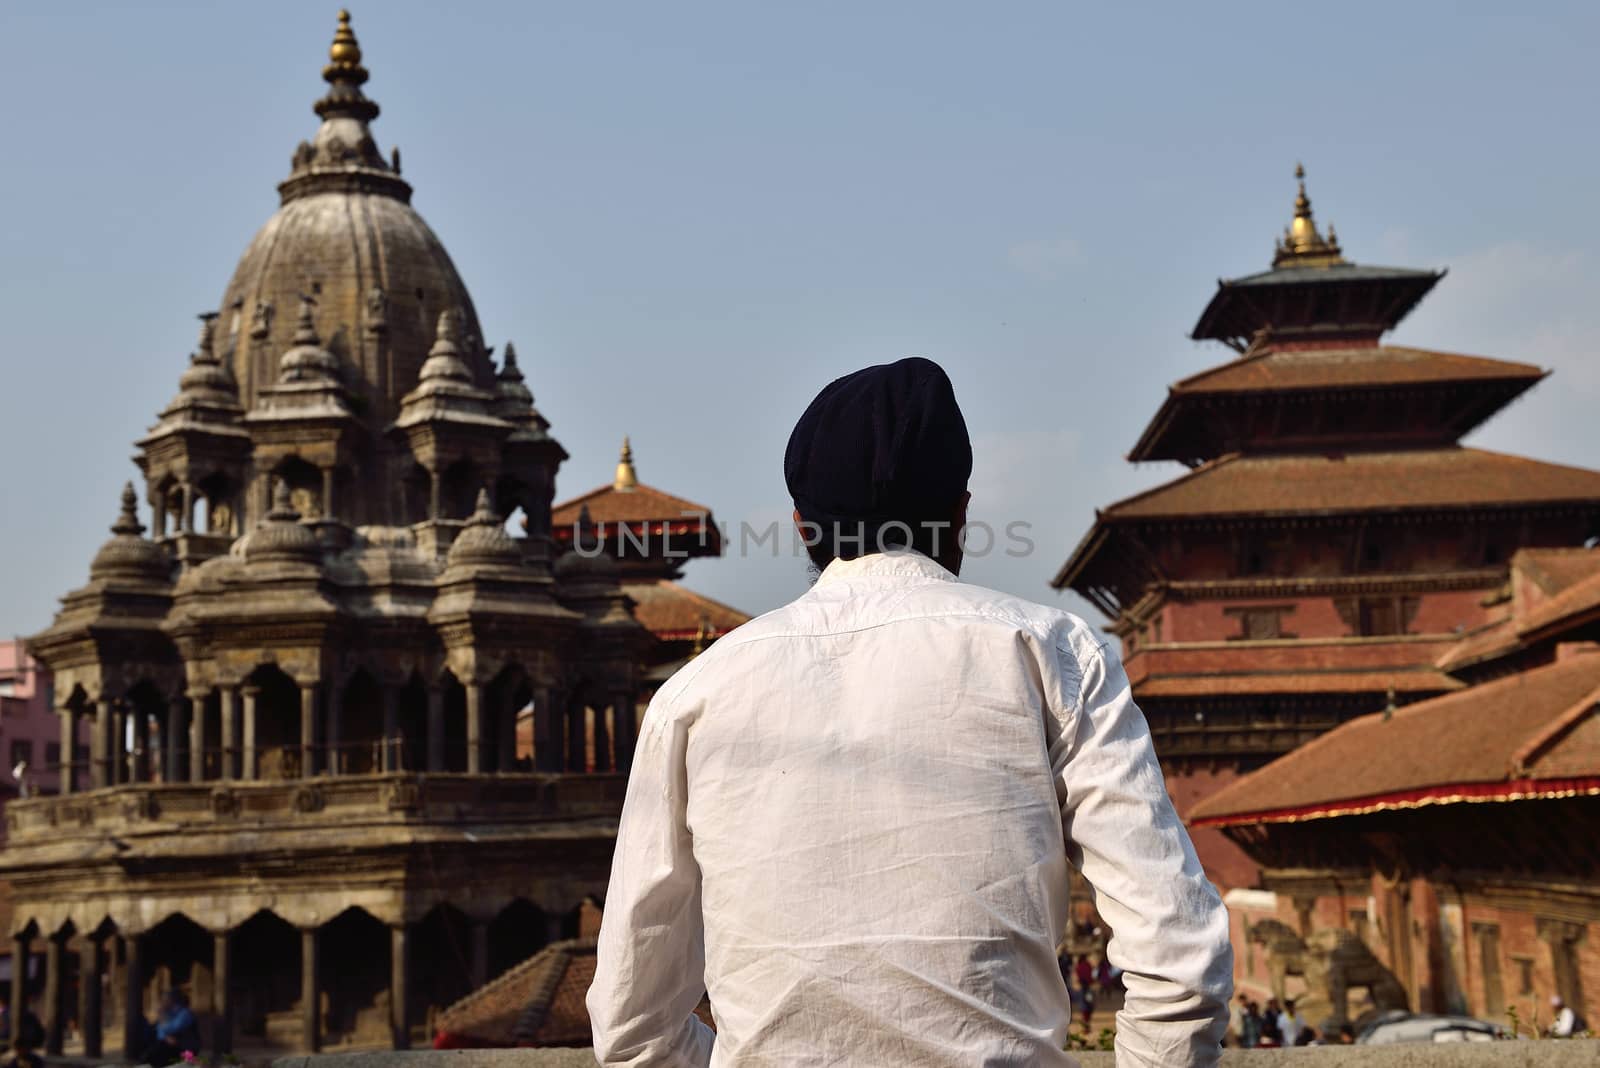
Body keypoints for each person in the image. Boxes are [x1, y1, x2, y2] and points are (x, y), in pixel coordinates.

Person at [588, 357, 1233, 1066]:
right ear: (960, 513)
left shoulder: (694, 696)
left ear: (804, 528)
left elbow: (631, 1024)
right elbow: (1181, 964)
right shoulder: (1049, 651)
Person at [138, 989, 200, 1067]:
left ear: (171, 1000)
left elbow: (171, 1028)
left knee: (157, 1053)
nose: (162, 1002)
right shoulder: (170, 1012)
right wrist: (166, 1036)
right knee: (153, 1050)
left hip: (188, 1052)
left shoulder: (185, 1013)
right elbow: (159, 1031)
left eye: (164, 1000)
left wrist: (162, 1016)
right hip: (174, 1047)